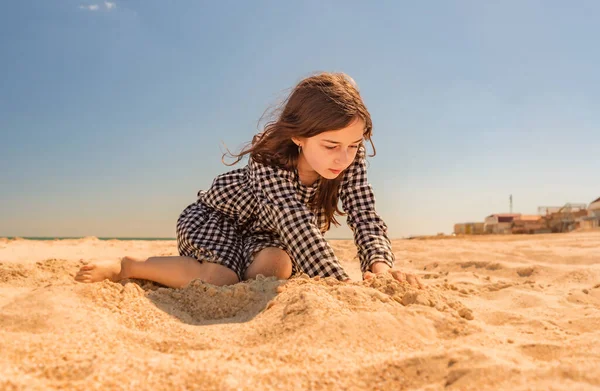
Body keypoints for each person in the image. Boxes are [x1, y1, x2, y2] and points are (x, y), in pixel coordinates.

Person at [75, 72, 423, 289]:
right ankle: (128, 266)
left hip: (268, 234)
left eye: (352, 146)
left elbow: (365, 213)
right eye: (331, 145)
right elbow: (294, 222)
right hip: (219, 219)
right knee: (221, 278)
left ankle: (230, 268)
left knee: (276, 270)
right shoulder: (269, 158)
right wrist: (341, 282)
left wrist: (380, 267)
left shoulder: (348, 157)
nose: (343, 157)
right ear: (299, 136)